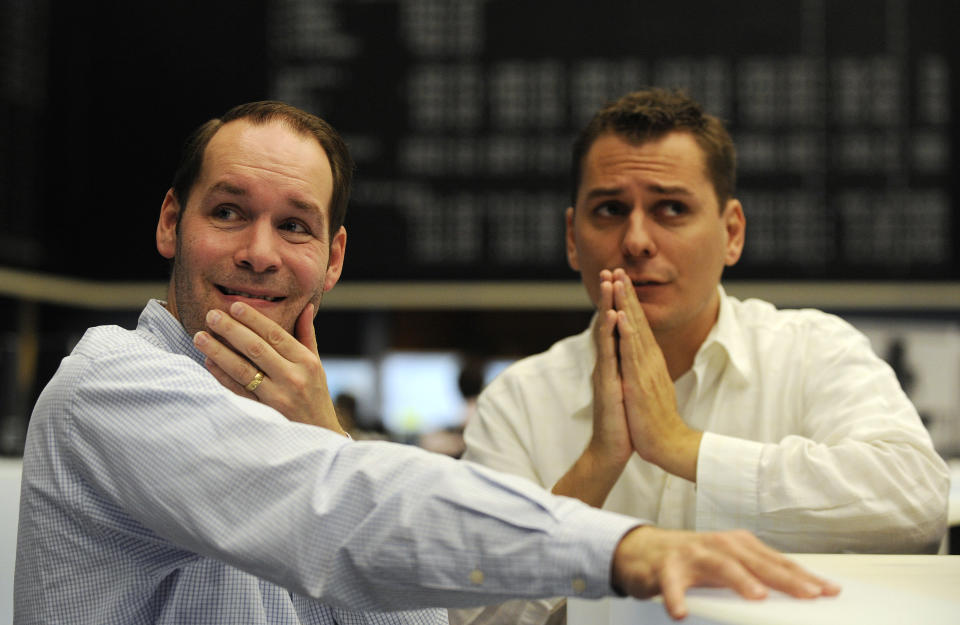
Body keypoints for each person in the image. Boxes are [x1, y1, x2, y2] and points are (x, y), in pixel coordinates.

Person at [15, 101, 837, 625]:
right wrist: (618, 546)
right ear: (170, 224)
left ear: (333, 259)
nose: (259, 253)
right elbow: (334, 511)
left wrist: (321, 434)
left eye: (296, 226)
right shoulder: (110, 387)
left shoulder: (298, 429)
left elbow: (405, 606)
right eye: (228, 212)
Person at [457, 89, 949, 623]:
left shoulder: (812, 350)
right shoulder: (519, 400)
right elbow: (470, 615)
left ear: (731, 232)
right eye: (610, 210)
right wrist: (596, 468)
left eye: (672, 208)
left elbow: (917, 504)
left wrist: (681, 446)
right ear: (574, 240)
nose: (638, 240)